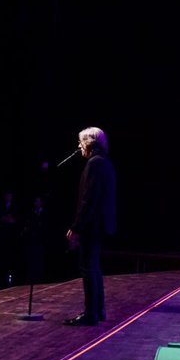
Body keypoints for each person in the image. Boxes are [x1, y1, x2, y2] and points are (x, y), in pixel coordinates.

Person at [65, 126, 117, 326]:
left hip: (92, 225)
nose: (78, 146)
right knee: (94, 267)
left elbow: (88, 200)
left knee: (88, 267)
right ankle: (99, 310)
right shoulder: (105, 163)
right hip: (100, 225)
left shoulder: (94, 164)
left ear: (89, 143)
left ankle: (90, 313)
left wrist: (77, 226)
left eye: (80, 142)